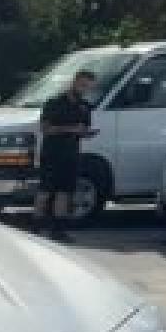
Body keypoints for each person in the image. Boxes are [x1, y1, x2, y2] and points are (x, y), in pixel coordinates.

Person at [36, 69, 97, 242]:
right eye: (83, 85)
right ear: (75, 82)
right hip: (52, 153)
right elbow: (45, 129)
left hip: (71, 154)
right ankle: (38, 226)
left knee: (65, 192)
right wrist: (70, 128)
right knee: (45, 191)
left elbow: (83, 129)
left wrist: (87, 133)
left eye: (88, 87)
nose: (84, 89)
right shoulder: (54, 102)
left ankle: (59, 229)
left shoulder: (84, 106)